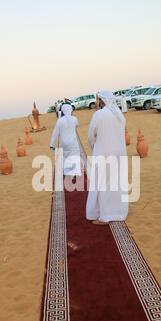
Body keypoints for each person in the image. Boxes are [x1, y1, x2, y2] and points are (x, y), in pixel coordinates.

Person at [86, 90, 128, 225]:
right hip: (119, 154)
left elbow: (91, 135)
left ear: (102, 101)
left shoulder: (99, 114)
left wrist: (94, 148)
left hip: (103, 153)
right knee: (117, 184)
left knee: (103, 184)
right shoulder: (120, 115)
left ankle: (105, 216)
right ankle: (119, 212)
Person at [50, 103, 81, 176]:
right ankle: (74, 174)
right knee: (74, 157)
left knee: (65, 158)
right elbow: (77, 125)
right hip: (73, 143)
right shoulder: (74, 119)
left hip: (64, 143)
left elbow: (55, 133)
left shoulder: (60, 121)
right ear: (70, 110)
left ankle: (67, 173)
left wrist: (52, 144)